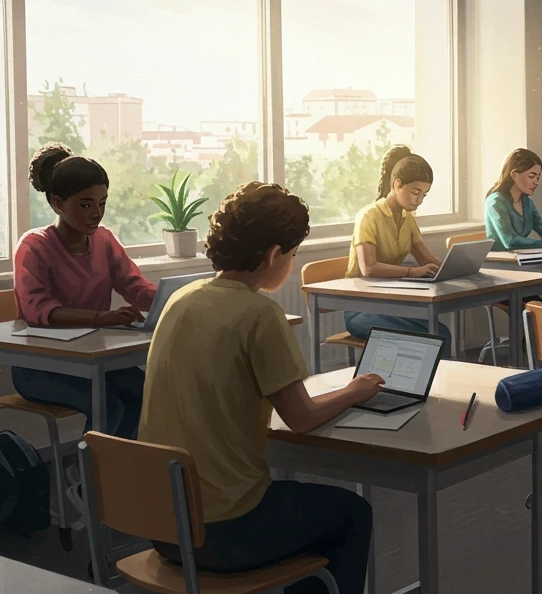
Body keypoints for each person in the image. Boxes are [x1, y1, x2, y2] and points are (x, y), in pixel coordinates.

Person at [140, 182, 384, 594]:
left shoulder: (179, 299)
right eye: (292, 254)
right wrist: (354, 390)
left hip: (163, 523)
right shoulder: (259, 314)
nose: (291, 262)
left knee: (298, 503)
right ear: (273, 254)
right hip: (224, 530)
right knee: (353, 513)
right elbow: (301, 418)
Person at [12, 143, 156, 439]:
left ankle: (122, 464)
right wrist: (100, 318)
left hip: (93, 360)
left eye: (102, 203)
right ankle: (93, 469)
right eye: (86, 205)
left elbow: (133, 285)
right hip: (41, 367)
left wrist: (176, 298)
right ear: (58, 204)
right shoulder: (33, 246)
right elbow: (39, 311)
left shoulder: (104, 240)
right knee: (109, 406)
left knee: (147, 393)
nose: (97, 214)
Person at [343, 145, 450, 340]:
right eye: (416, 192)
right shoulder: (368, 216)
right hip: (361, 308)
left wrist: (457, 268)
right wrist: (412, 272)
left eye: (424, 195)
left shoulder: (407, 219)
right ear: (397, 184)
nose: (419, 200)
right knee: (435, 336)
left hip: (389, 303)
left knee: (441, 333)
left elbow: (426, 259)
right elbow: (368, 268)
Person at [484, 148, 542, 252]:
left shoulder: (527, 202)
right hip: (498, 259)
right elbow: (510, 241)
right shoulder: (495, 201)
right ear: (514, 174)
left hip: (520, 257)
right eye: (531, 176)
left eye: (538, 177)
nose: (536, 182)